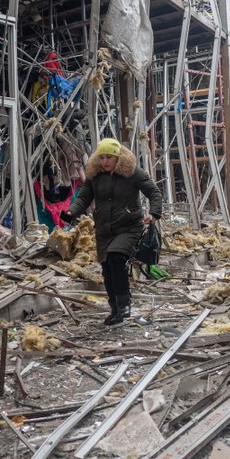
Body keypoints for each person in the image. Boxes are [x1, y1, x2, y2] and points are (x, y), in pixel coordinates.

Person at [60, 138, 162, 326]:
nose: (105, 161)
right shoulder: (94, 176)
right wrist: (71, 211)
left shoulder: (132, 172)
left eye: (109, 157)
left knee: (116, 258)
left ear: (118, 157)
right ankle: (115, 307)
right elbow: (83, 197)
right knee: (107, 269)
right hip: (104, 228)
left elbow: (154, 192)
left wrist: (154, 214)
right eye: (102, 157)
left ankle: (124, 305)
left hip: (129, 226)